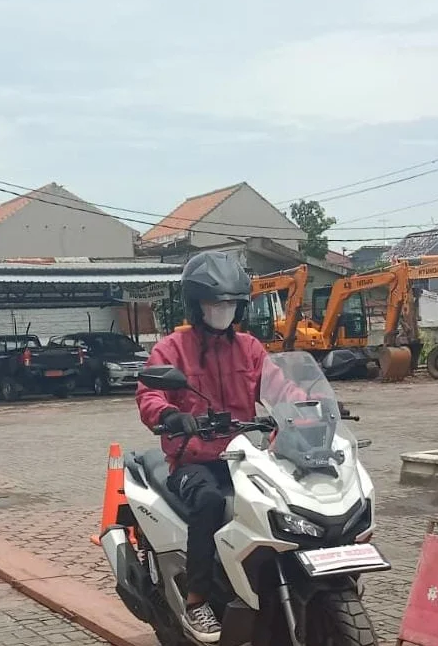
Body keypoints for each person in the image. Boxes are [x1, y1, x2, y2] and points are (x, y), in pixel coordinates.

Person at [136, 250, 275, 643]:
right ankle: (197, 600)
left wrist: (307, 408)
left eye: (229, 302)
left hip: (245, 455)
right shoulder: (172, 348)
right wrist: (169, 415)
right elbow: (149, 394)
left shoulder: (249, 348)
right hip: (192, 458)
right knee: (211, 502)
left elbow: (281, 387)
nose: (222, 310)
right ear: (196, 305)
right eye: (214, 302)